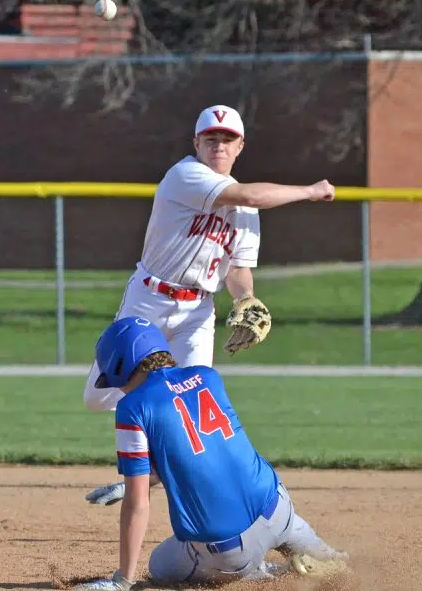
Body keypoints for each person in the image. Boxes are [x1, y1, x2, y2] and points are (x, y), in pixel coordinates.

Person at [83, 105, 336, 505]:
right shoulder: (185, 175)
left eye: (228, 139)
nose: (219, 145)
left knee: (196, 401)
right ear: (197, 143)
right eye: (211, 138)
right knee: (97, 398)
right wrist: (310, 191)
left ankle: (147, 478)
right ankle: (153, 438)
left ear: (240, 146)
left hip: (198, 312)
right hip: (148, 301)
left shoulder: (249, 212)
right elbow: (248, 193)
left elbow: (237, 269)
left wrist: (245, 298)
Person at [74, 316, 348, 591]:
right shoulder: (207, 377)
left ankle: (272, 572)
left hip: (229, 553)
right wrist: (142, 481)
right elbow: (201, 452)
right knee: (335, 563)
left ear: (122, 366)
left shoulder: (132, 407)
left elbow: (138, 504)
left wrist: (123, 580)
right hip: (279, 510)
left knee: (159, 565)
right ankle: (326, 561)